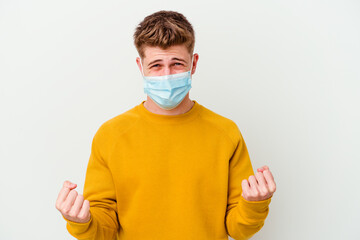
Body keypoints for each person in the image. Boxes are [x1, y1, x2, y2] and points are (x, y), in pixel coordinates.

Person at [55, 10, 276, 240]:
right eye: (157, 65)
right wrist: (82, 222)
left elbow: (238, 230)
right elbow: (105, 229)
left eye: (177, 63)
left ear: (194, 63)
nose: (167, 75)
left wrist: (254, 204)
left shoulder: (225, 133)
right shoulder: (111, 135)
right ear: (141, 67)